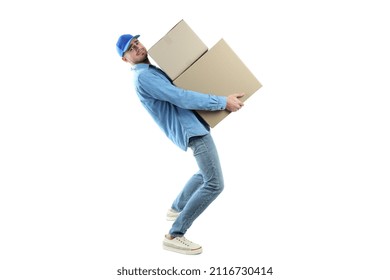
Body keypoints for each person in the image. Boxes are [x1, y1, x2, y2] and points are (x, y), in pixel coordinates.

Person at [116, 33, 244, 255]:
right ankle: (175, 235)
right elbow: (181, 97)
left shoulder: (151, 70)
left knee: (205, 173)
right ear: (125, 59)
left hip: (193, 125)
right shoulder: (144, 77)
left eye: (137, 42)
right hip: (190, 130)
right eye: (130, 48)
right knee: (214, 183)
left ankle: (176, 208)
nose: (137, 47)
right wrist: (222, 101)